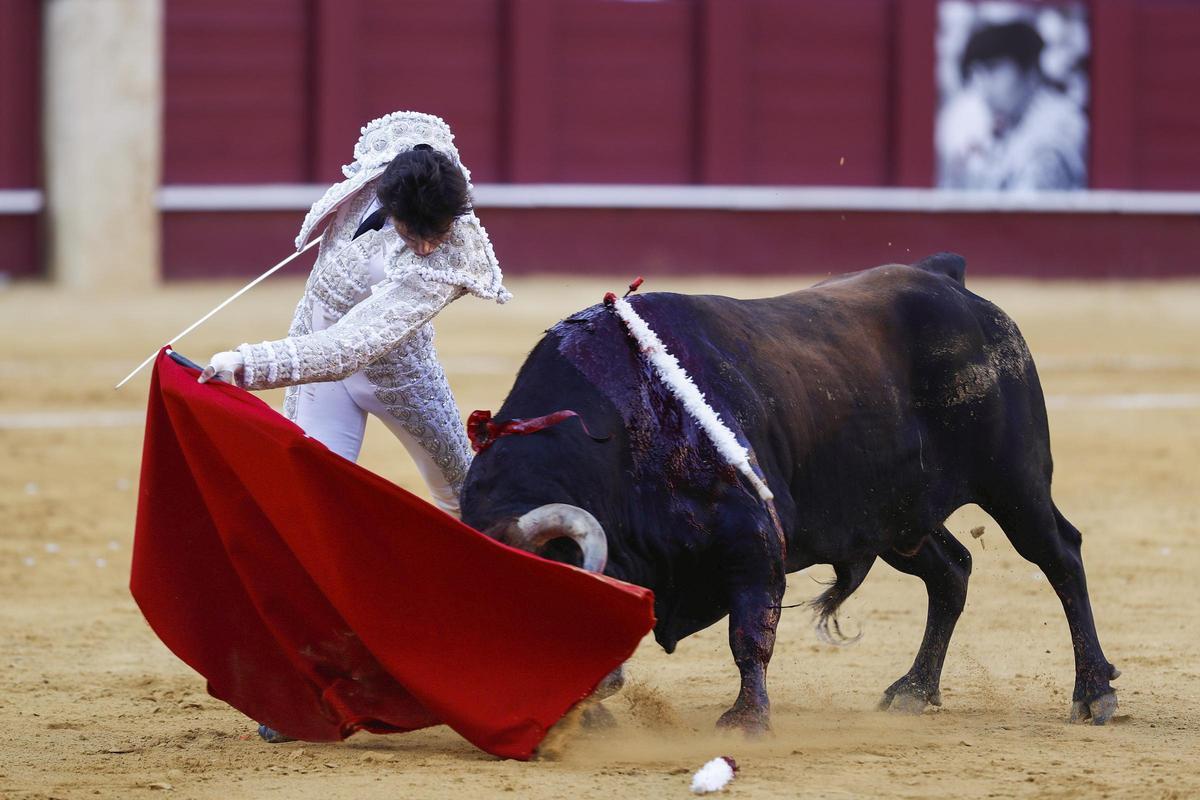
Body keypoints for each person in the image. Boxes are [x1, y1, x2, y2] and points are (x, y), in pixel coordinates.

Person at [200, 111, 510, 519]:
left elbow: (351, 346)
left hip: (399, 375)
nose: (428, 248)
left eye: (439, 233)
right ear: (389, 204)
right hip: (317, 347)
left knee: (466, 499)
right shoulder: (385, 171)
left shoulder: (449, 263)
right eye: (412, 233)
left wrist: (249, 362)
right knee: (309, 496)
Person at [937, 19, 1087, 190]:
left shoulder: (1054, 134)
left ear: (1030, 72)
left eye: (992, 70)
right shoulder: (1010, 127)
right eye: (977, 75)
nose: (983, 87)